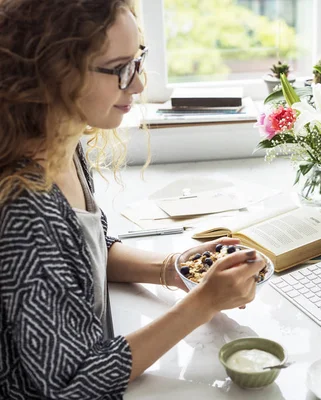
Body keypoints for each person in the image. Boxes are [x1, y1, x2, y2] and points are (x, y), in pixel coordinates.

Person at [0, 1, 265, 398]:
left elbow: (82, 257)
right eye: (121, 68)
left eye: (139, 60)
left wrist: (173, 268)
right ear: (56, 73)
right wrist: (204, 303)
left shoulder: (63, 145)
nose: (139, 84)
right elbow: (71, 384)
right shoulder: (24, 209)